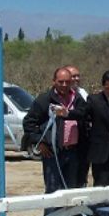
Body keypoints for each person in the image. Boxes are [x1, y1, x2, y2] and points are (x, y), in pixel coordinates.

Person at [23, 67, 88, 195]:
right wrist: (39, 142)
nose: (64, 85)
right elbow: (29, 123)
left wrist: (68, 113)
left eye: (67, 82)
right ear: (54, 81)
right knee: (53, 191)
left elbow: (84, 114)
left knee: (70, 191)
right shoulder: (45, 99)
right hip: (52, 153)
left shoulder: (77, 98)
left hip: (73, 152)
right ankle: (52, 215)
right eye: (61, 82)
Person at [65, 65, 90, 187]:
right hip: (66, 143)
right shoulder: (61, 95)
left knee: (82, 174)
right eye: (73, 76)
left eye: (78, 76)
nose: (76, 78)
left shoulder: (83, 93)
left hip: (82, 139)